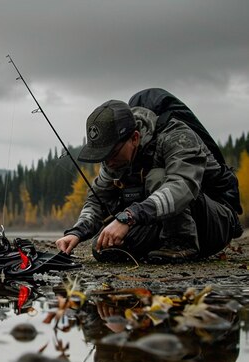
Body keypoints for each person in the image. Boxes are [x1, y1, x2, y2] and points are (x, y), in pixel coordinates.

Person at [55, 96, 243, 264]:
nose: (107, 161)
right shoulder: (113, 161)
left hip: (214, 220)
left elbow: (182, 186)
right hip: (161, 221)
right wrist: (76, 232)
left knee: (157, 177)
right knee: (104, 247)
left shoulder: (176, 135)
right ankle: (163, 244)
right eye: (102, 155)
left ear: (134, 138)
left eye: (111, 153)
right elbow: (98, 199)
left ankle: (181, 243)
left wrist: (128, 217)